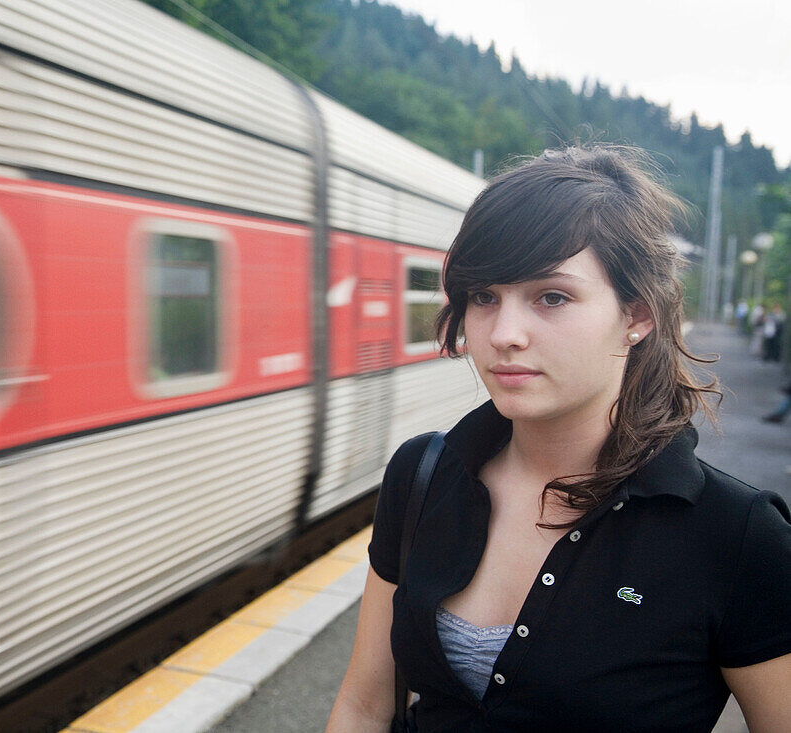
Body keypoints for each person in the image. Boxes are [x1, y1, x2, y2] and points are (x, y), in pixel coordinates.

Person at [325, 146, 791, 732]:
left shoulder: (738, 535)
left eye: (552, 297)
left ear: (637, 315)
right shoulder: (422, 475)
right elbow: (366, 704)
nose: (504, 334)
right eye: (484, 297)